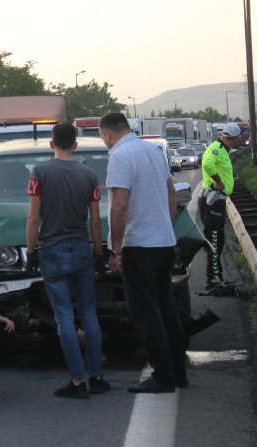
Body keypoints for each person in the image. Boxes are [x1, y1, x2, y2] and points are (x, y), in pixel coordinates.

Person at [100, 112, 187, 394]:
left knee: (146, 313)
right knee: (167, 308)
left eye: (103, 139)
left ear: (109, 134)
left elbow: (119, 206)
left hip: (139, 246)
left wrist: (115, 249)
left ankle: (162, 375)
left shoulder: (120, 156)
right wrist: (165, 226)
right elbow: (171, 193)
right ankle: (178, 372)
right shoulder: (153, 151)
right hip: (164, 242)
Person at [25, 122, 110, 399]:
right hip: (82, 249)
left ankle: (77, 380)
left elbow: (34, 217)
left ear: (52, 144)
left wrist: (30, 250)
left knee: (64, 317)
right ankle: (97, 375)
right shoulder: (89, 174)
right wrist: (98, 253)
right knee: (88, 314)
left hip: (52, 249)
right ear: (75, 144)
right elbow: (95, 221)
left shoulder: (40, 172)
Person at [200, 124, 238, 289]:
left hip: (217, 200)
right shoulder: (216, 149)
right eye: (239, 137)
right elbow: (207, 164)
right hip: (213, 200)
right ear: (232, 138)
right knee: (215, 240)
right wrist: (219, 182)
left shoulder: (222, 150)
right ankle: (213, 279)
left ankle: (216, 276)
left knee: (217, 240)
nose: (240, 140)